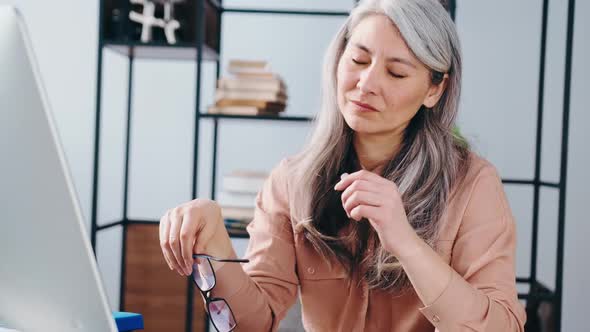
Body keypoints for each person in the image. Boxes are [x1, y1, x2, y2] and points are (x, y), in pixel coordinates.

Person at [158, 0, 527, 330]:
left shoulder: (473, 184)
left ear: (435, 89)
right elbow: (254, 323)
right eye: (358, 60)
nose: (366, 83)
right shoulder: (291, 181)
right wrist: (214, 243)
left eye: (396, 72)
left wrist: (406, 242)